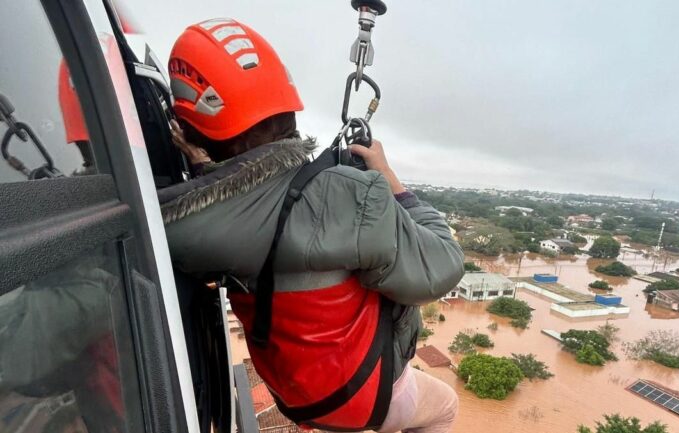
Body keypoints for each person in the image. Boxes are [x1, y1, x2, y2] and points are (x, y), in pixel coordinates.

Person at [160, 18, 464, 433]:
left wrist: (205, 174)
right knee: (445, 407)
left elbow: (235, 202)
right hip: (362, 395)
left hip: (294, 397)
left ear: (191, 134)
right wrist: (394, 185)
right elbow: (443, 265)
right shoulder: (349, 195)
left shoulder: (174, 227)